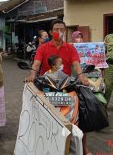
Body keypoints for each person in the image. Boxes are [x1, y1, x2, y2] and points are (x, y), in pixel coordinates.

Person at [26, 19, 90, 155]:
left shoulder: (70, 48)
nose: (59, 32)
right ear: (50, 32)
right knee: (46, 121)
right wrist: (32, 74)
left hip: (65, 88)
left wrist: (82, 76)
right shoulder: (43, 48)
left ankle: (83, 148)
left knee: (80, 118)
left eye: (62, 29)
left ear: (65, 31)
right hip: (47, 88)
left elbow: (76, 64)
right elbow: (36, 64)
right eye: (56, 29)